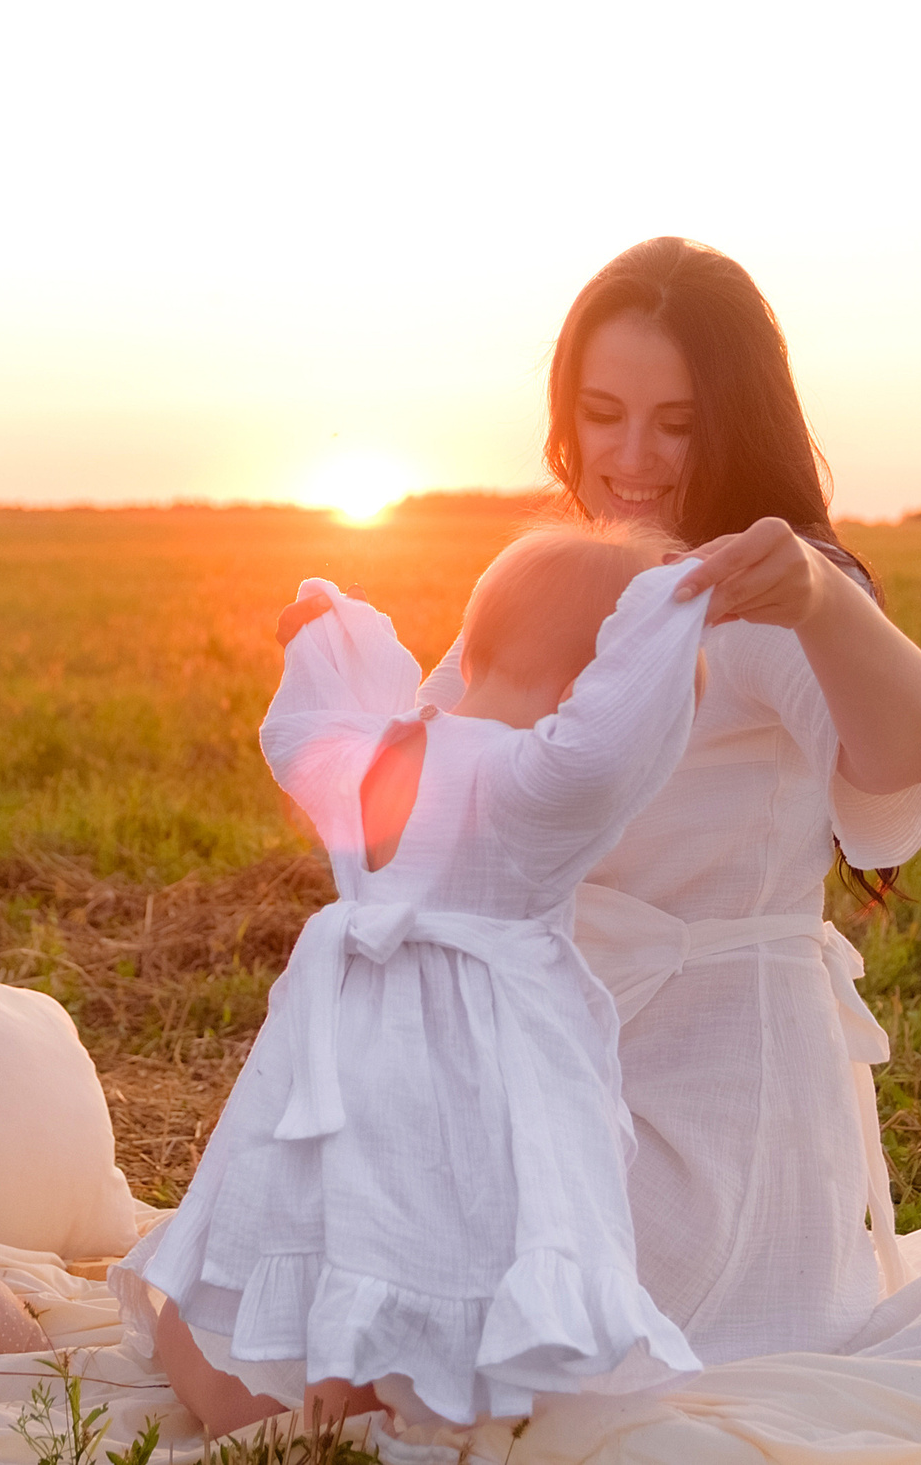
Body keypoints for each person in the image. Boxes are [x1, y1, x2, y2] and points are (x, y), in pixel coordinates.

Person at [413, 236, 921, 1365]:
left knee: (422, 1321)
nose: (631, 458)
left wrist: (822, 605)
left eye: (677, 422)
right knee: (284, 1268)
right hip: (554, 1067)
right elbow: (431, 771)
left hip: (712, 1119)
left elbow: (904, 771)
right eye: (603, 414)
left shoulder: (764, 587)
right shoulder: (578, 575)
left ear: (737, 420)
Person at [121, 525, 714, 1433]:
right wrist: (671, 614)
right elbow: (610, 747)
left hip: (343, 1053)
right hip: (474, 1076)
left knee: (336, 1226)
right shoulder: (534, 784)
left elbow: (306, 725)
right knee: (452, 1239)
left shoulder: (370, 754)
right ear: (583, 689)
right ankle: (376, 1402)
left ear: (471, 650)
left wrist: (330, 630)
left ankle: (264, 1369)